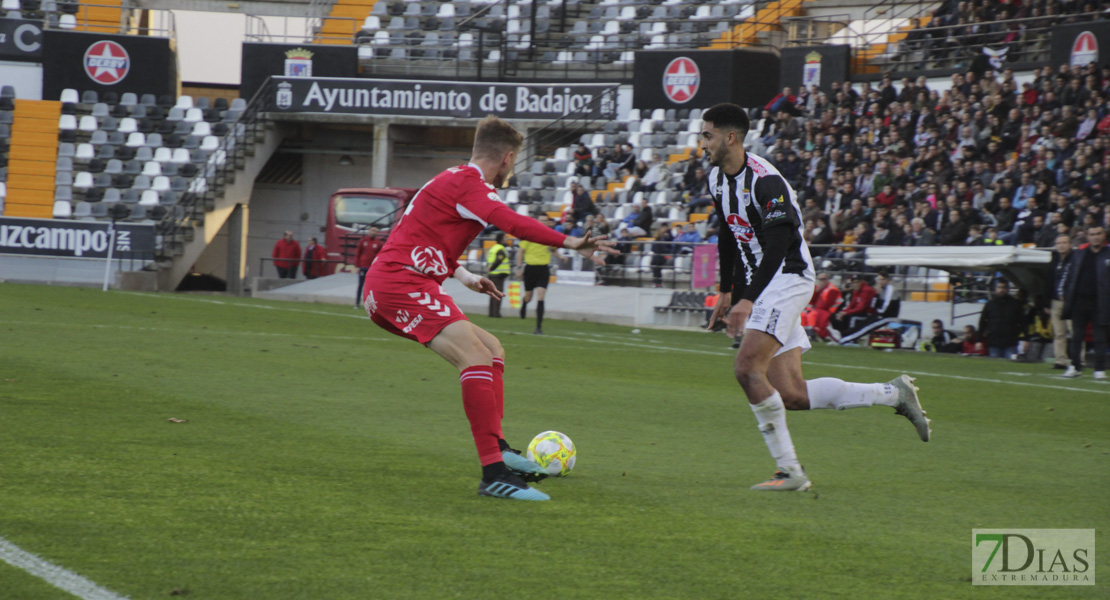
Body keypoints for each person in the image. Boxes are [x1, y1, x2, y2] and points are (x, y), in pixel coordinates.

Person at [361, 116, 614, 501]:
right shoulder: (471, 185)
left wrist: (464, 277)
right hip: (400, 282)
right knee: (476, 359)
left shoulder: (453, 178)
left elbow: (420, 232)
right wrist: (571, 241)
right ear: (508, 158)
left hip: (405, 280)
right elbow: (512, 222)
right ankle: (493, 473)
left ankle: (501, 453)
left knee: (492, 349)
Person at [700, 103, 930, 493]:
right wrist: (728, 290)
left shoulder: (765, 182)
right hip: (764, 283)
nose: (701, 143)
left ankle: (789, 472)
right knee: (791, 393)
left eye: (707, 135)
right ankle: (894, 393)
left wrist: (748, 298)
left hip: (786, 277)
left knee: (746, 369)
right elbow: (727, 232)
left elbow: (778, 244)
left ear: (730, 137)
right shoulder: (717, 180)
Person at [1062, 225, 1110, 379]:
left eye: (1098, 234)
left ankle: (1099, 369)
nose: (1095, 237)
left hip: (1100, 302)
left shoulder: (1108, 254)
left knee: (1100, 337)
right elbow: (1071, 275)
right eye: (1092, 234)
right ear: (1088, 237)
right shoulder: (1079, 254)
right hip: (1080, 300)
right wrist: (1066, 293)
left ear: (1104, 236)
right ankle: (1075, 366)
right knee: (1077, 335)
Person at [516, 215, 558, 335]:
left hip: (543, 269)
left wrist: (561, 257)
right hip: (530, 269)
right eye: (541, 220)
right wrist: (519, 268)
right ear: (537, 222)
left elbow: (553, 250)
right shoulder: (529, 235)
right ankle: (524, 303)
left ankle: (538, 327)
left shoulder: (550, 235)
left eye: (546, 221)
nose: (543, 223)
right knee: (529, 297)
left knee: (541, 296)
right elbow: (520, 252)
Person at [1044, 234, 1073, 370]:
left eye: (1064, 242)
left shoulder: (1075, 259)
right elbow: (1049, 281)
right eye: (1059, 243)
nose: (1061, 245)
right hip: (1056, 301)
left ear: (1069, 244)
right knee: (1059, 333)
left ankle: (1079, 360)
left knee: (1075, 331)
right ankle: (1061, 360)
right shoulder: (1054, 260)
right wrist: (1046, 302)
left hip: (1071, 301)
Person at [978, 279, 1025, 359]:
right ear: (996, 288)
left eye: (1004, 287)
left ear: (1008, 289)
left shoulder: (1015, 304)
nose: (1001, 290)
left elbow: (1023, 322)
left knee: (1010, 366)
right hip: (994, 342)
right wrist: (978, 340)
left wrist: (1026, 339)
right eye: (999, 287)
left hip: (1010, 342)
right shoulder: (990, 304)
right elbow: (982, 322)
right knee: (995, 367)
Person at [828, 275, 877, 340]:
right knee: (834, 316)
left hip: (867, 313)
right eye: (853, 282)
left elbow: (862, 307)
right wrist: (843, 312)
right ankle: (839, 335)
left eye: (857, 282)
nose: (855, 284)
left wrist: (846, 313)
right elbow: (851, 305)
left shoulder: (867, 290)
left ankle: (851, 339)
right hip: (856, 311)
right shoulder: (855, 290)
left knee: (851, 317)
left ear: (861, 282)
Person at [800, 272, 842, 340]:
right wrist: (817, 292)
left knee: (812, 314)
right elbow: (812, 301)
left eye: (823, 279)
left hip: (828, 311)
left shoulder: (832, 289)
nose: (821, 281)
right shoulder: (819, 288)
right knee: (803, 314)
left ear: (827, 279)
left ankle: (812, 333)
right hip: (818, 309)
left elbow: (826, 305)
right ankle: (805, 333)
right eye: (820, 279)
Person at [354, 226, 383, 307]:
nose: (373, 232)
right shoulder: (363, 241)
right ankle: (357, 303)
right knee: (360, 285)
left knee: (371, 287)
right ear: (369, 231)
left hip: (372, 269)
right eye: (372, 230)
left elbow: (380, 256)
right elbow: (358, 253)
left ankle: (370, 305)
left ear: (377, 233)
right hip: (363, 267)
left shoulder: (379, 243)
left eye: (375, 231)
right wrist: (357, 266)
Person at [486, 232, 511, 318]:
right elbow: (499, 260)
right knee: (498, 294)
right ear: (501, 239)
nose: (507, 239)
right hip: (498, 274)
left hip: (493, 274)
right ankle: (496, 313)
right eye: (505, 238)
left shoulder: (493, 248)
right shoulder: (501, 249)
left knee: (492, 294)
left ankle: (491, 313)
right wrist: (492, 268)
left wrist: (490, 269)